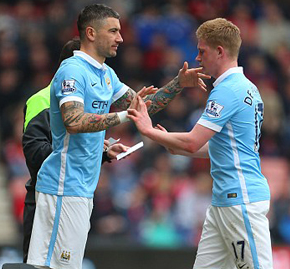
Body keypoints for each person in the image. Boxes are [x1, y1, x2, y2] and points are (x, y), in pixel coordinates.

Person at [27, 4, 208, 269]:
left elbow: (145, 108)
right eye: (113, 31)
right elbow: (74, 121)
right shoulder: (73, 70)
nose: (120, 38)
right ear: (91, 33)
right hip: (62, 187)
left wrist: (178, 83)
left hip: (81, 189)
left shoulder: (106, 74)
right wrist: (126, 116)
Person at [128, 18, 273, 269]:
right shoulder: (248, 87)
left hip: (240, 201)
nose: (196, 57)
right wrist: (173, 144)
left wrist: (148, 131)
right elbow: (223, 147)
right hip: (224, 202)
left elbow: (193, 142)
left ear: (220, 51)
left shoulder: (228, 91)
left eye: (201, 51)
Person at [21, 38, 129, 263]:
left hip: (75, 191)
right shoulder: (41, 101)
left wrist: (102, 153)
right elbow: (35, 153)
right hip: (47, 193)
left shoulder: (83, 103)